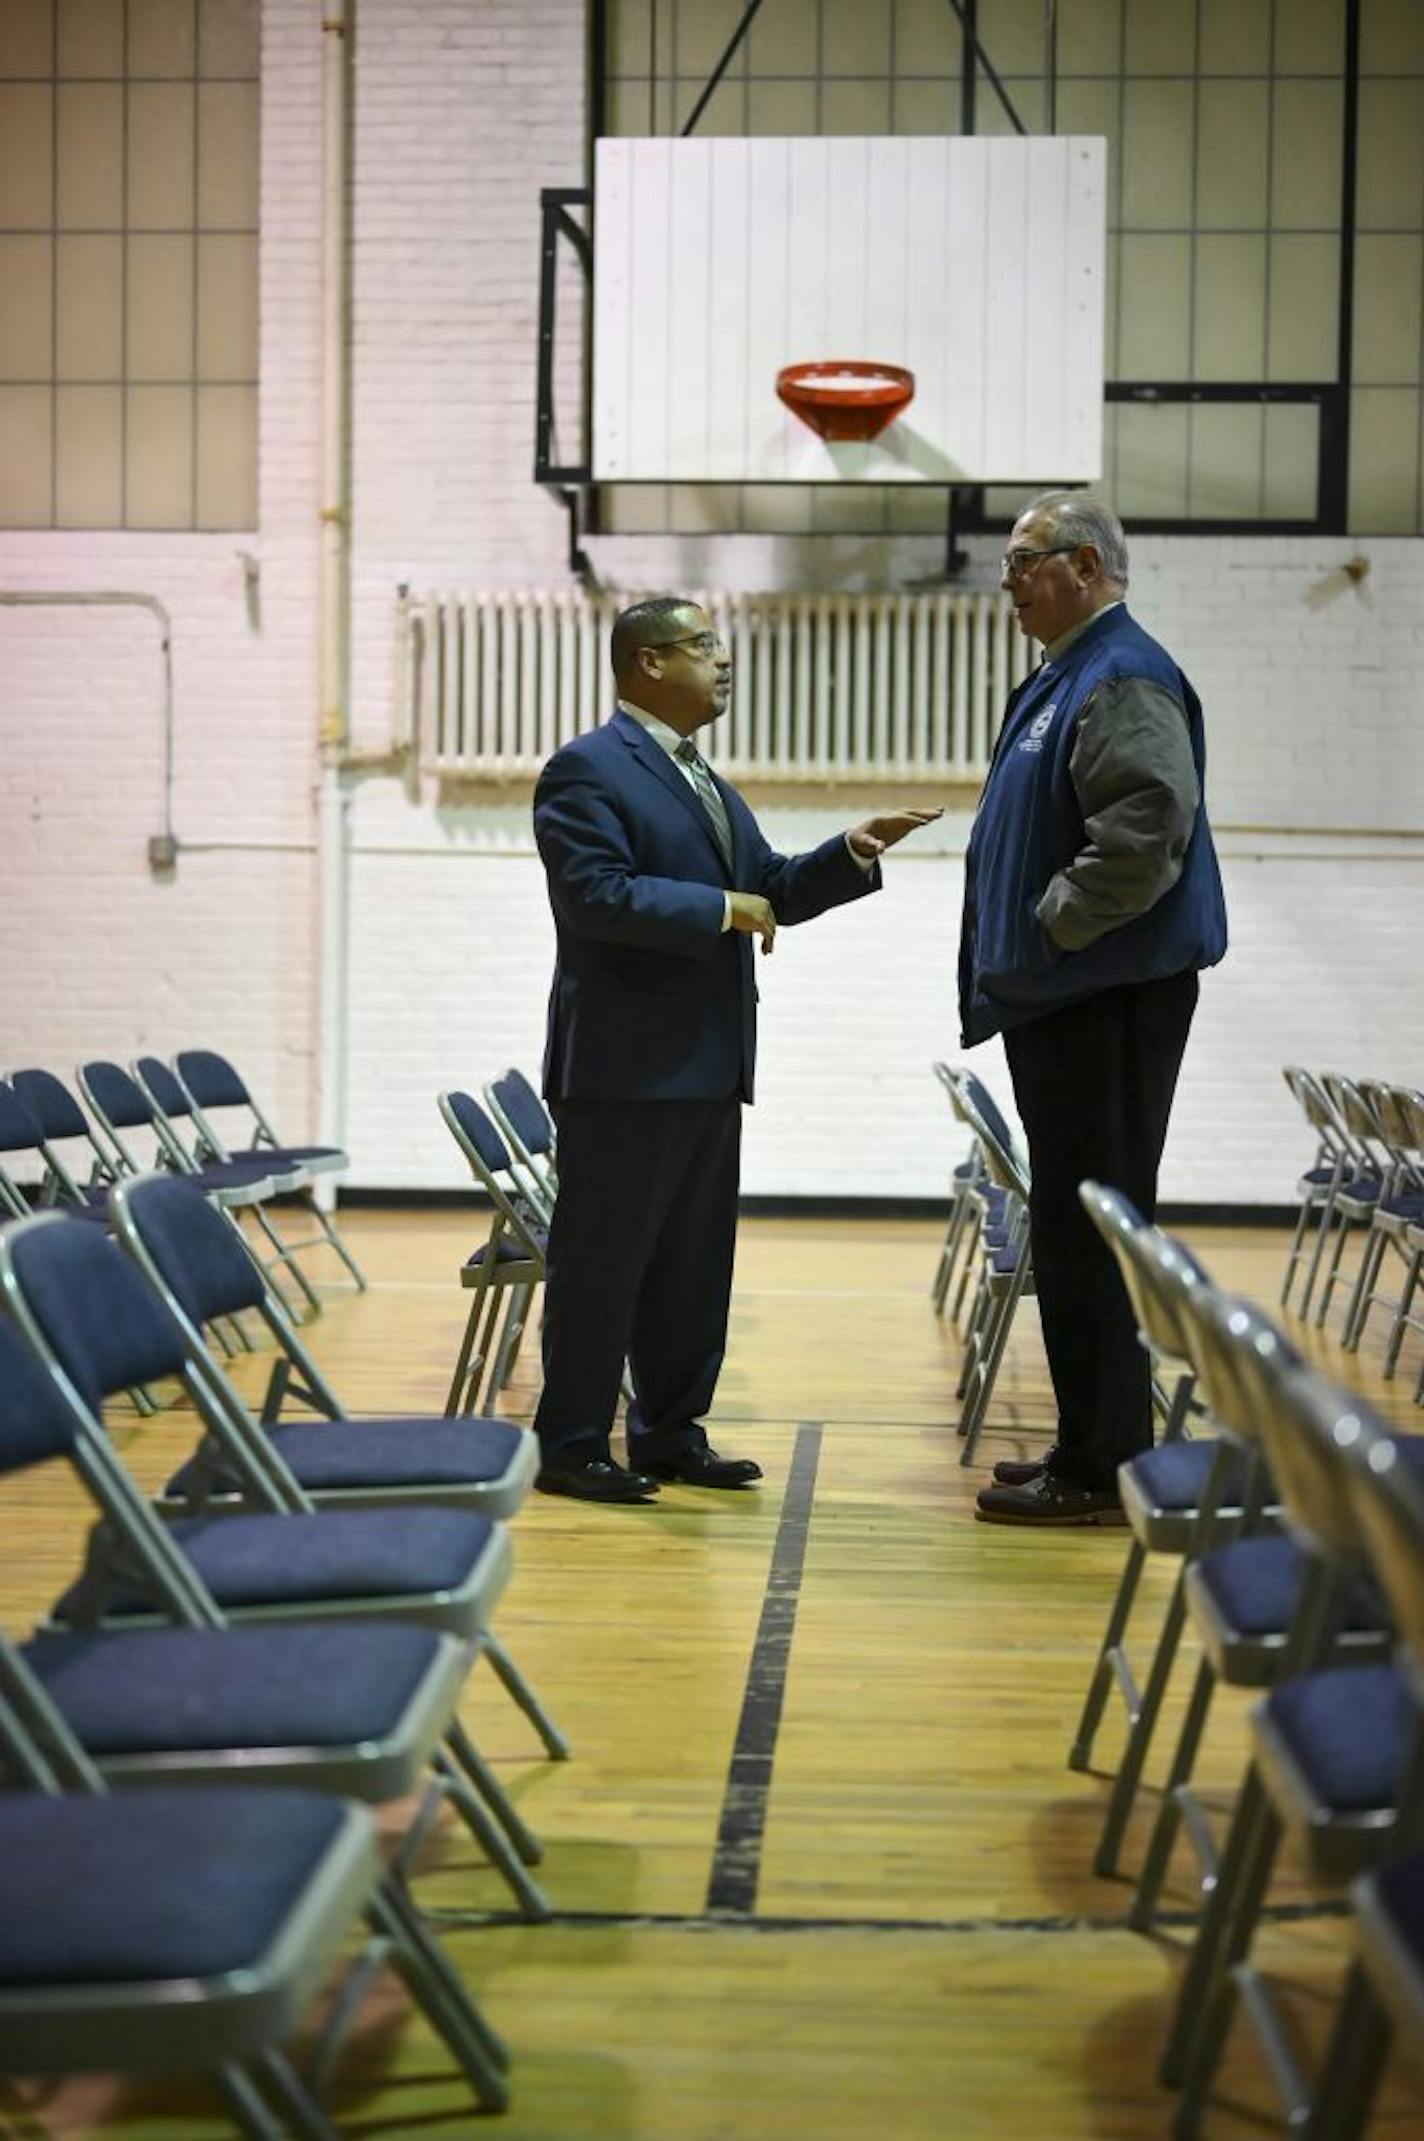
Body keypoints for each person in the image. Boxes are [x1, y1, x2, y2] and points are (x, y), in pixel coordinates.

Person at [532, 594, 940, 1504]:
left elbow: (773, 890)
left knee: (690, 1264)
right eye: (703, 646)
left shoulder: (706, 781)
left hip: (709, 1059)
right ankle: (569, 1444)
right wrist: (724, 908)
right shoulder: (587, 769)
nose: (724, 662)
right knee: (604, 1261)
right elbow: (596, 896)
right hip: (623, 1069)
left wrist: (850, 851)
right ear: (646, 663)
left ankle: (670, 1433)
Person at [959, 492, 1228, 1526]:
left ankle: (1104, 1460)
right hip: (1066, 993)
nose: (1008, 581)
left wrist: (1055, 924)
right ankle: (1091, 1442)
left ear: (1081, 564)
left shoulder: (1115, 671)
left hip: (1099, 993)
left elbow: (1146, 820)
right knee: (1078, 1229)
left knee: (1095, 1228)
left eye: (1022, 561)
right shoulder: (1067, 673)